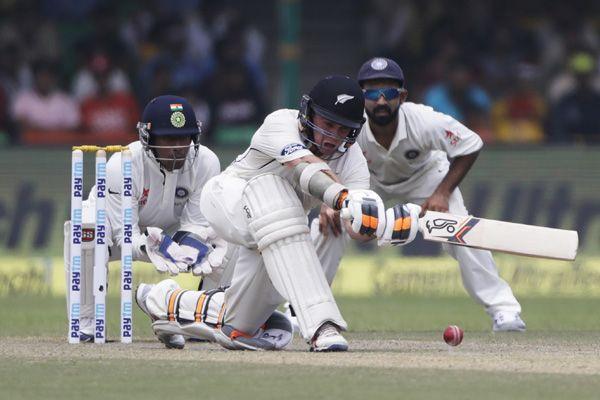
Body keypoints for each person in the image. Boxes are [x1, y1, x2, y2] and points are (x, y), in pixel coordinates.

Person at [134, 75, 420, 352]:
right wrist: (345, 198)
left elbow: (355, 227)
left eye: (344, 129)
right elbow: (304, 167)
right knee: (274, 191)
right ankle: (322, 324)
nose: (334, 137)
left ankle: (163, 301)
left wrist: (383, 226)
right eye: (328, 124)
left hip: (274, 234)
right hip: (227, 202)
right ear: (308, 113)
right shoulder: (281, 122)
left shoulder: (352, 159)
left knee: (239, 326)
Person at [315, 58, 525, 332]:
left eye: (388, 93)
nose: (380, 101)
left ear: (402, 96)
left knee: (462, 231)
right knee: (327, 226)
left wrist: (442, 192)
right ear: (360, 96)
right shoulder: (350, 124)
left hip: (424, 179)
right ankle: (303, 311)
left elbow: (471, 144)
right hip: (367, 180)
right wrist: (328, 201)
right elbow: (327, 155)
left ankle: (505, 312)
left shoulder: (424, 120)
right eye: (371, 93)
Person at [64, 95, 230, 347]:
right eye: (169, 139)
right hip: (112, 227)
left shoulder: (206, 162)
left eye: (184, 138)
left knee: (226, 239)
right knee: (84, 231)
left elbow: (195, 223)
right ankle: (86, 324)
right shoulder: (122, 164)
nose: (178, 147)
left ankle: (200, 318)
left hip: (169, 228)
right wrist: (149, 246)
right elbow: (124, 234)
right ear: (148, 139)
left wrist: (190, 244)